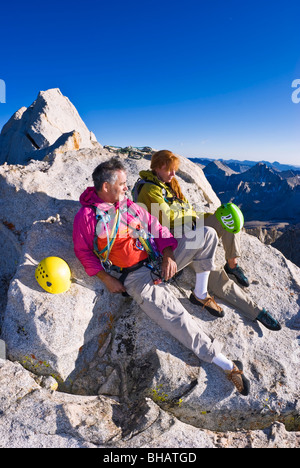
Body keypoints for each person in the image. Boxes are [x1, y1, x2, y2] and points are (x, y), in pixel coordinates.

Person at [73, 157, 250, 396]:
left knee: (206, 234)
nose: (126, 187)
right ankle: (225, 363)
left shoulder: (128, 206)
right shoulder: (87, 217)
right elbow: (83, 252)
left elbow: (158, 228)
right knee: (176, 318)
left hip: (159, 261)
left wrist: (168, 255)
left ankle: (200, 293)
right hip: (136, 277)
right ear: (106, 187)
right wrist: (106, 278)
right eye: (122, 183)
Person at [134, 149, 281, 332]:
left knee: (228, 214)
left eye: (174, 169)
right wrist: (194, 220)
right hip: (176, 237)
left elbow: (183, 210)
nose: (173, 174)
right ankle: (256, 311)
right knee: (216, 275)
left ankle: (232, 264)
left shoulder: (168, 184)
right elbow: (165, 218)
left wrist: (199, 218)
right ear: (156, 168)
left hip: (189, 225)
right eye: (169, 170)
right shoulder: (149, 189)